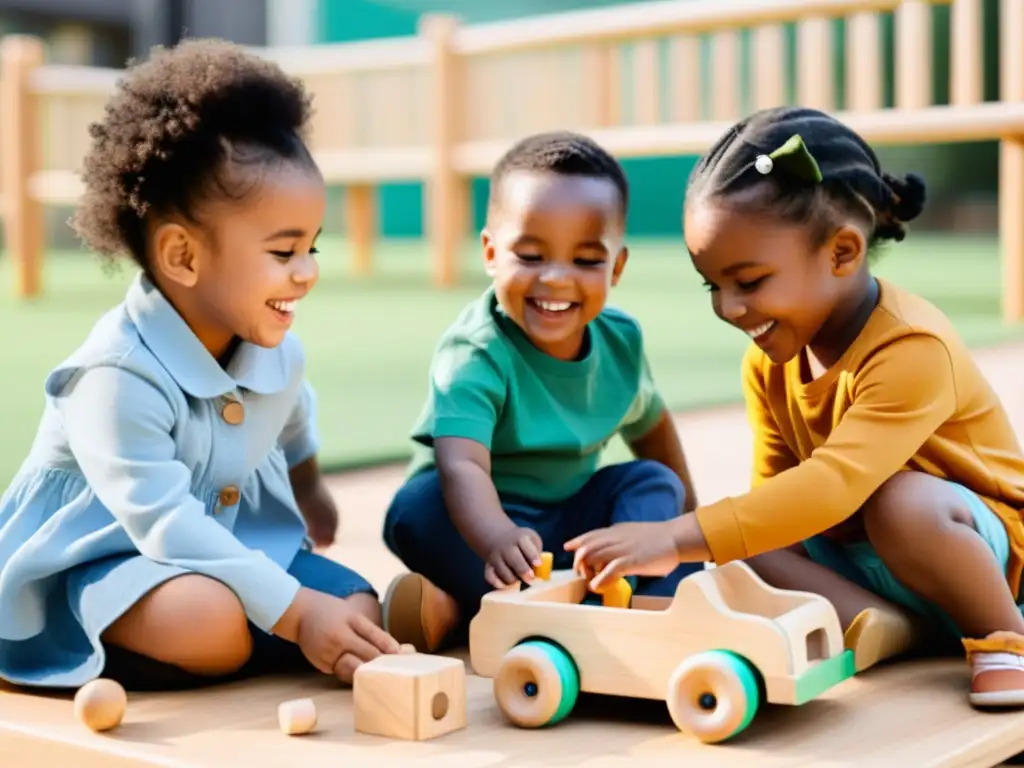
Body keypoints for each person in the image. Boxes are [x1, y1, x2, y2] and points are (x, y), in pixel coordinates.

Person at [564, 105, 1024, 707]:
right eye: (714, 285)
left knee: (900, 502)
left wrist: (675, 537)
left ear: (841, 253)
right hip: (873, 567)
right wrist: (721, 546)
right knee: (747, 541)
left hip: (984, 555)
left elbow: (832, 486)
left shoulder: (911, 347)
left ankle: (1004, 638)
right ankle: (892, 630)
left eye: (749, 282)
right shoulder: (770, 362)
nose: (729, 308)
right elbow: (774, 499)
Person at [0, 38, 401, 692]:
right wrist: (298, 614)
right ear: (183, 257)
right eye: (283, 251)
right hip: (102, 562)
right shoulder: (114, 378)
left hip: (226, 546)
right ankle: (118, 647)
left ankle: (267, 631)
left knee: (357, 608)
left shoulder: (274, 348)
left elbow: (295, 414)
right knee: (210, 624)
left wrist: (310, 490)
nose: (307, 272)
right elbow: (163, 522)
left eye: (312, 246)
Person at [380, 130, 704, 653]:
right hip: (476, 522)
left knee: (652, 481)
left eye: (585, 260)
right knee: (421, 506)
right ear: (491, 252)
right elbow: (461, 464)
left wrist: (689, 532)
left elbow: (654, 430)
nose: (555, 278)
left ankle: (622, 593)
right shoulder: (475, 352)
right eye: (530, 256)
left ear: (616, 267)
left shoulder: (620, 343)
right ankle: (550, 610)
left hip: (569, 526)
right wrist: (496, 537)